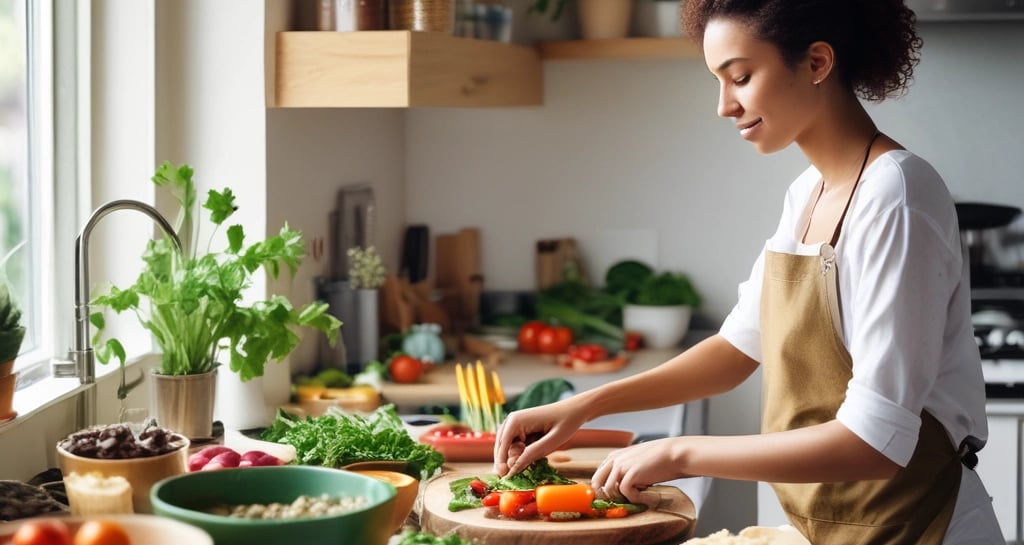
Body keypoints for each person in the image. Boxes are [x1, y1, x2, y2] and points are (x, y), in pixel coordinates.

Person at [492, 1, 1003, 542]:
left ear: (817, 63)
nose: (723, 106)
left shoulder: (895, 198)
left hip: (922, 528)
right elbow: (737, 349)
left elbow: (874, 444)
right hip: (831, 529)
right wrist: (584, 406)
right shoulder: (807, 193)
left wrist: (679, 453)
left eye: (740, 77)